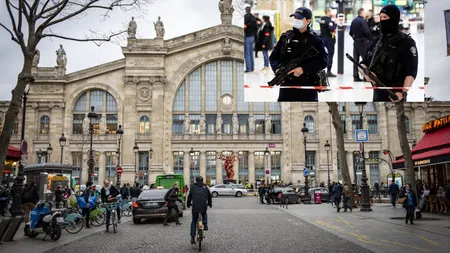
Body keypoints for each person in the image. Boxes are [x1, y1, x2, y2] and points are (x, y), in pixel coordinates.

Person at [269, 7, 328, 102]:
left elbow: (323, 62)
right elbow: (273, 57)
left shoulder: (315, 40)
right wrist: (277, 69)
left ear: (308, 21)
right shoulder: (285, 37)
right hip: (287, 87)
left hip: (308, 87)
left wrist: (303, 69)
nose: (296, 20)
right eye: (295, 18)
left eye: (299, 18)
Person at [361, 5, 418, 102]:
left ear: (394, 19)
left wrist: (403, 92)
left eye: (385, 17)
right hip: (377, 94)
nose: (382, 20)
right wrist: (366, 73)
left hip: (396, 95)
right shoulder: (376, 41)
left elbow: (411, 72)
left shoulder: (406, 42)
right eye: (381, 17)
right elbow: (363, 63)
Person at [187, 176, 212, 244]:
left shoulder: (193, 187)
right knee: (204, 213)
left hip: (195, 206)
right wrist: (210, 204)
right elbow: (209, 196)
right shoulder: (205, 187)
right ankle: (205, 224)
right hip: (203, 205)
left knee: (194, 221)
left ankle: (192, 237)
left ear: (196, 180)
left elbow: (189, 196)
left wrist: (188, 204)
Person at [349, 8, 371, 82]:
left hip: (356, 41)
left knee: (355, 59)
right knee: (365, 59)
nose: (365, 13)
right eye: (364, 12)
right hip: (362, 41)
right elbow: (367, 32)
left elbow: (350, 32)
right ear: (361, 13)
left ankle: (355, 76)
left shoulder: (354, 21)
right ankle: (365, 76)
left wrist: (355, 38)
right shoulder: (362, 21)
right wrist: (371, 39)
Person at [319, 8, 337, 77]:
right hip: (329, 39)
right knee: (330, 54)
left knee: (322, 54)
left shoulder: (321, 19)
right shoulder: (329, 21)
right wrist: (335, 24)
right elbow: (332, 29)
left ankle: (320, 70)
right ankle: (328, 71)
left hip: (322, 38)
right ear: (328, 12)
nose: (332, 12)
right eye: (331, 11)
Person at [244, 5, 257, 73]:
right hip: (252, 37)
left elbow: (245, 26)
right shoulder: (253, 17)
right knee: (251, 53)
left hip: (247, 36)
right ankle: (252, 67)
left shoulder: (246, 17)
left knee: (247, 53)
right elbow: (255, 28)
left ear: (246, 10)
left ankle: (248, 68)